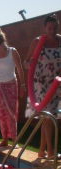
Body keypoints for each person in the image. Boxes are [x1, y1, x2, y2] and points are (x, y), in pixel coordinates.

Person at [24, 14, 61, 159]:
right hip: (40, 82)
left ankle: (41, 150)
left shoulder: (60, 40)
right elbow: (26, 63)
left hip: (56, 82)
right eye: (49, 28)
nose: (52, 31)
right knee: (48, 115)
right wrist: (30, 63)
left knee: (51, 116)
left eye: (55, 28)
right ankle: (51, 150)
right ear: (44, 27)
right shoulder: (38, 42)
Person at [0, 28, 26, 148]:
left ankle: (15, 140)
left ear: (3, 40)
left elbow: (19, 69)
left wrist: (23, 86)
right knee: (1, 112)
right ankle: (5, 139)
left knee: (11, 112)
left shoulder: (12, 52)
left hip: (11, 85)